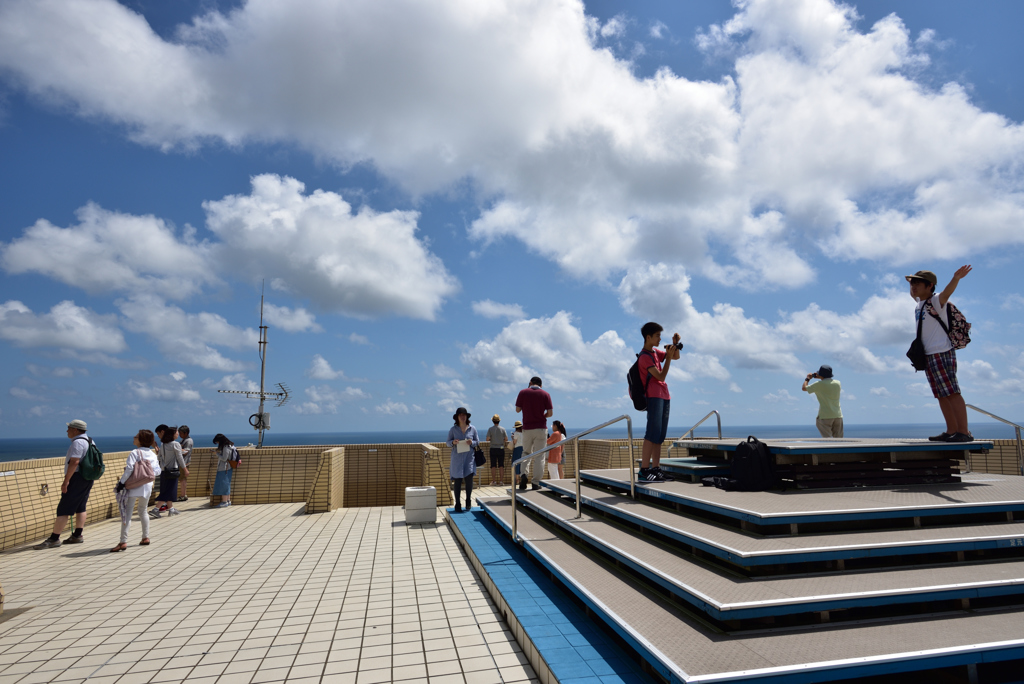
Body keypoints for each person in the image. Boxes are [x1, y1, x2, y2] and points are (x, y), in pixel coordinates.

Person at [907, 266, 974, 442]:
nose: (913, 287)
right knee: (941, 394)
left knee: (952, 392)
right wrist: (912, 284)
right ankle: (952, 430)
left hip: (941, 352)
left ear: (930, 286)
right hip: (929, 355)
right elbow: (912, 294)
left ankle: (964, 432)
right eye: (912, 283)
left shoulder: (936, 301)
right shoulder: (919, 305)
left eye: (918, 283)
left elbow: (946, 293)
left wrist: (956, 278)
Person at [34, 419, 97, 549]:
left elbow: (74, 462)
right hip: (87, 478)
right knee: (81, 506)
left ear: (75, 429)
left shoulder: (78, 442)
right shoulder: (90, 440)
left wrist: (66, 480)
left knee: (64, 509)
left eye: (69, 428)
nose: (67, 431)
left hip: (77, 478)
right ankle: (77, 535)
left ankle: (54, 538)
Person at [637, 322, 681, 483]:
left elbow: (676, 356)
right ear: (648, 337)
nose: (659, 339)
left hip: (664, 395)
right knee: (651, 433)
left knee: (660, 435)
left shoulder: (655, 353)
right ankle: (644, 471)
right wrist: (668, 358)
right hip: (653, 396)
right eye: (657, 336)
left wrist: (674, 345)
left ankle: (656, 469)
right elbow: (661, 376)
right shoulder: (644, 357)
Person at [111, 429, 161, 552]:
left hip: (133, 485)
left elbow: (129, 469)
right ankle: (145, 537)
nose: (134, 438)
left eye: (136, 436)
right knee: (143, 511)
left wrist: (121, 483)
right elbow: (158, 471)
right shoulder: (152, 454)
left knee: (127, 512)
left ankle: (123, 541)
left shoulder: (134, 452)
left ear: (141, 440)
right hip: (147, 485)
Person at [515, 376, 553, 490]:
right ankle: (536, 482)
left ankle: (523, 475)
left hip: (527, 428)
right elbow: (550, 413)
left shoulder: (523, 392)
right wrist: (542, 416)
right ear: (541, 385)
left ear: (530, 383)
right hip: (541, 428)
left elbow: (517, 410)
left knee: (526, 453)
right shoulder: (546, 394)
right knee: (539, 456)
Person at [151, 425, 187, 518]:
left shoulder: (163, 445)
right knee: (168, 491)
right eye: (176, 433)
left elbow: (159, 457)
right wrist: (185, 469)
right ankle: (155, 509)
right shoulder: (176, 444)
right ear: (172, 434)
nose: (178, 434)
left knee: (167, 489)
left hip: (164, 471)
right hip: (173, 471)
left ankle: (171, 510)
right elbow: (179, 458)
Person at [446, 408, 478, 512]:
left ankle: (468, 500)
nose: (462, 417)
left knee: (469, 481)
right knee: (458, 482)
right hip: (457, 459)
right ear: (457, 417)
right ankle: (458, 503)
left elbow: (477, 442)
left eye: (464, 415)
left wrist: (471, 442)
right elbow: (447, 442)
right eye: (460, 415)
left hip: (469, 459)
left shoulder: (472, 429)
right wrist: (453, 442)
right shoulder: (453, 429)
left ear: (467, 417)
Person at [802, 365, 843, 437]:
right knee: (839, 439)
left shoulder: (818, 384)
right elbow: (827, 382)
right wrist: (821, 377)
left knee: (827, 440)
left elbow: (804, 388)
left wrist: (808, 378)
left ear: (821, 374)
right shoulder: (838, 383)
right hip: (838, 415)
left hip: (825, 416)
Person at [212, 434, 237, 507]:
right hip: (227, 468)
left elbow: (224, 458)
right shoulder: (229, 446)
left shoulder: (226, 447)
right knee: (227, 484)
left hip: (225, 468)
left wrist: (216, 454)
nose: (218, 444)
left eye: (218, 442)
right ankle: (228, 500)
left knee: (224, 484)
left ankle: (224, 501)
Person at [486, 414, 508, 486]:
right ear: (499, 421)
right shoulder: (503, 429)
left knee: (493, 465)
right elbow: (506, 439)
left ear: (493, 421)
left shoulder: (490, 429)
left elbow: (487, 439)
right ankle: (501, 481)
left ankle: (494, 481)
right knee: (501, 465)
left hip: (493, 448)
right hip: (501, 448)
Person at [177, 425, 193, 502]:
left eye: (180, 433)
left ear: (185, 433)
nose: (179, 435)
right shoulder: (183, 440)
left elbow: (186, 451)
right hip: (183, 462)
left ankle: (183, 495)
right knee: (182, 479)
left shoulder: (188, 441)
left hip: (185, 462)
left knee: (183, 479)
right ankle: (183, 495)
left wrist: (177, 450)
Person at [510, 420, 524, 485]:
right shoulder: (524, 433)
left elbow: (515, 442)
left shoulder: (516, 433)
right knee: (522, 464)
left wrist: (512, 438)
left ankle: (517, 479)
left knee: (516, 463)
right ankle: (522, 479)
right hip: (523, 449)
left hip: (517, 449)